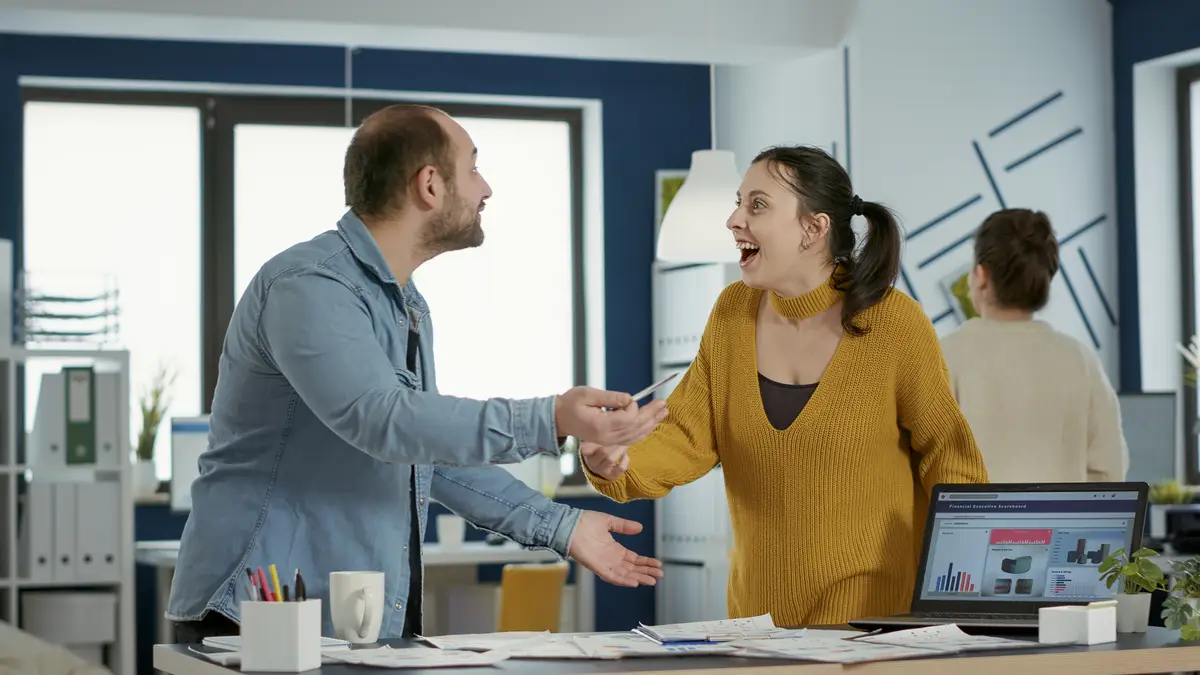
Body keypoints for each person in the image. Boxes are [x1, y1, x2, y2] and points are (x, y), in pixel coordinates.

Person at [167, 104, 667, 641]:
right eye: (473, 167)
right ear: (430, 184)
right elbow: (381, 421)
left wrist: (561, 526)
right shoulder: (309, 285)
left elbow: (419, 455)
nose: (486, 188)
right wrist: (552, 419)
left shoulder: (405, 304)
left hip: (349, 622)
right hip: (254, 617)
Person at [579, 145, 989, 627]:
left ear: (813, 229)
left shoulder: (894, 323)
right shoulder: (733, 313)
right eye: (738, 202)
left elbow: (950, 458)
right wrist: (613, 459)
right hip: (758, 625)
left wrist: (968, 597)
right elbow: (685, 437)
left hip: (874, 624)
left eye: (757, 205)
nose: (734, 219)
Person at [940, 208, 1128, 483]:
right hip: (1063, 525)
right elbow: (1109, 470)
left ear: (981, 275)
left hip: (971, 524)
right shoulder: (1080, 360)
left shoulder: (945, 355)